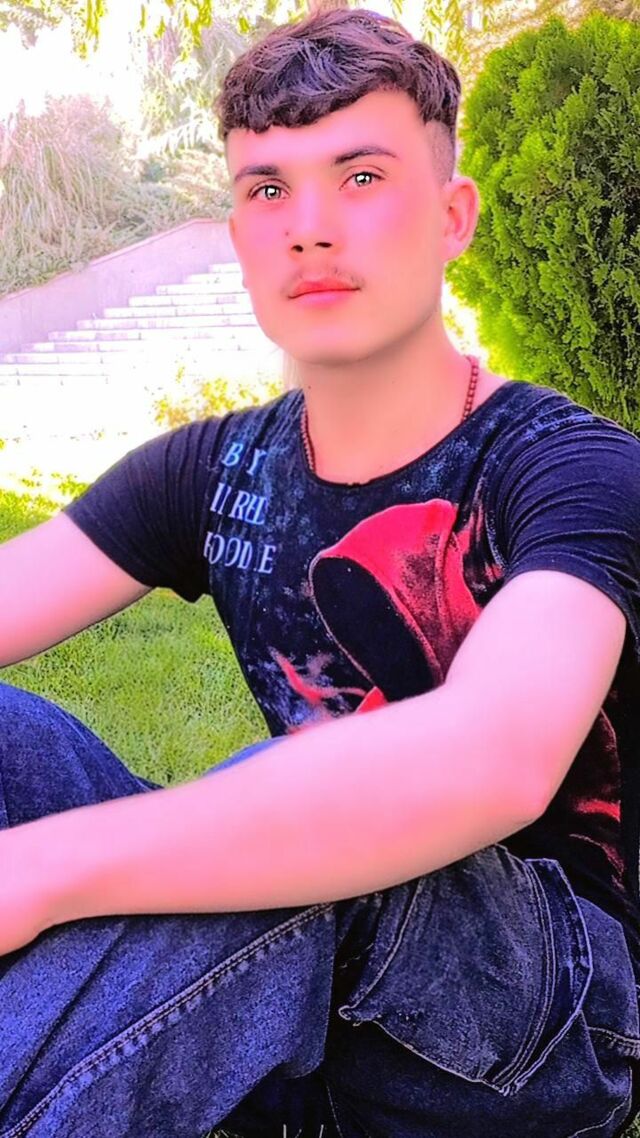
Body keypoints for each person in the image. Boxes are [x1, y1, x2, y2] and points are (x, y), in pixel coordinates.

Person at [0, 7, 639, 1137]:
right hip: (311, 979)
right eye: (268, 190)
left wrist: (42, 868)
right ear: (238, 234)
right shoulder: (215, 468)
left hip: (548, 1019)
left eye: (361, 177)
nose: (308, 229)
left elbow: (489, 762)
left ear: (452, 218)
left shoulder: (570, 466)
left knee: (313, 795)